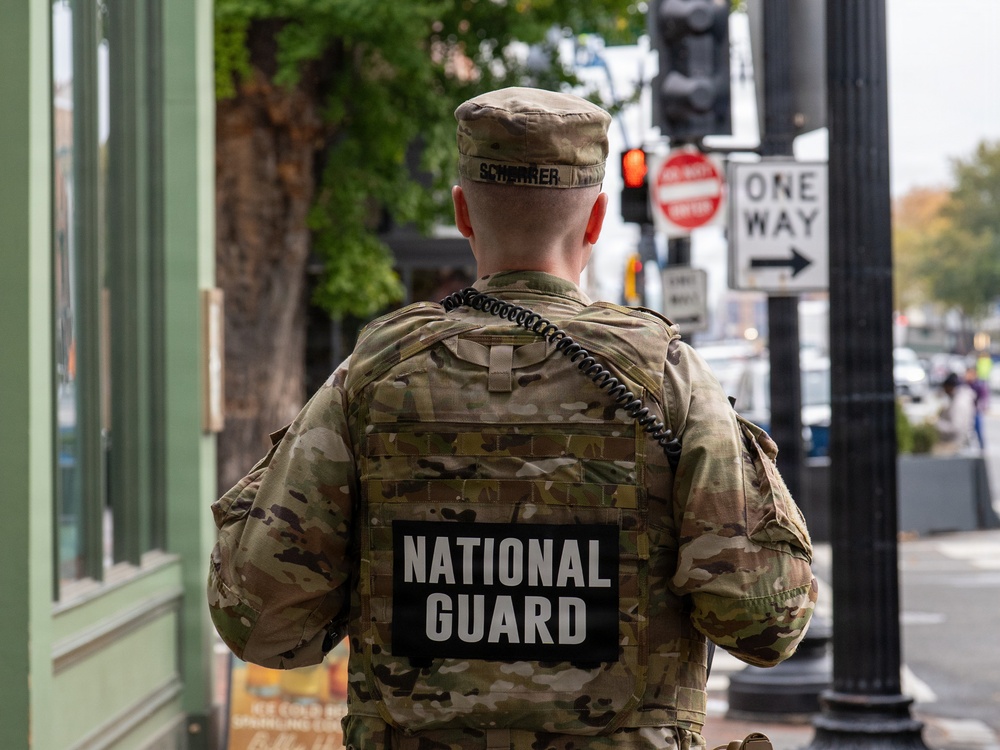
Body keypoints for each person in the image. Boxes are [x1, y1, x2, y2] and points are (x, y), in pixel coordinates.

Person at [208, 87, 817, 750]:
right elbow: (766, 623)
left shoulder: (373, 375)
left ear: (462, 213)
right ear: (596, 221)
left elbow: (260, 618)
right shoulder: (670, 380)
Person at [935, 371, 978, 454]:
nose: (944, 391)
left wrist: (936, 424)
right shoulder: (963, 397)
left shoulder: (959, 402)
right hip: (964, 441)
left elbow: (955, 427)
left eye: (945, 388)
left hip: (957, 444)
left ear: (949, 387)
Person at [964, 366, 989, 449]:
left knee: (978, 430)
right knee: (966, 431)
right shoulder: (965, 384)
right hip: (966, 411)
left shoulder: (978, 385)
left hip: (975, 411)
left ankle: (982, 448)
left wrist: (981, 407)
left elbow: (984, 398)